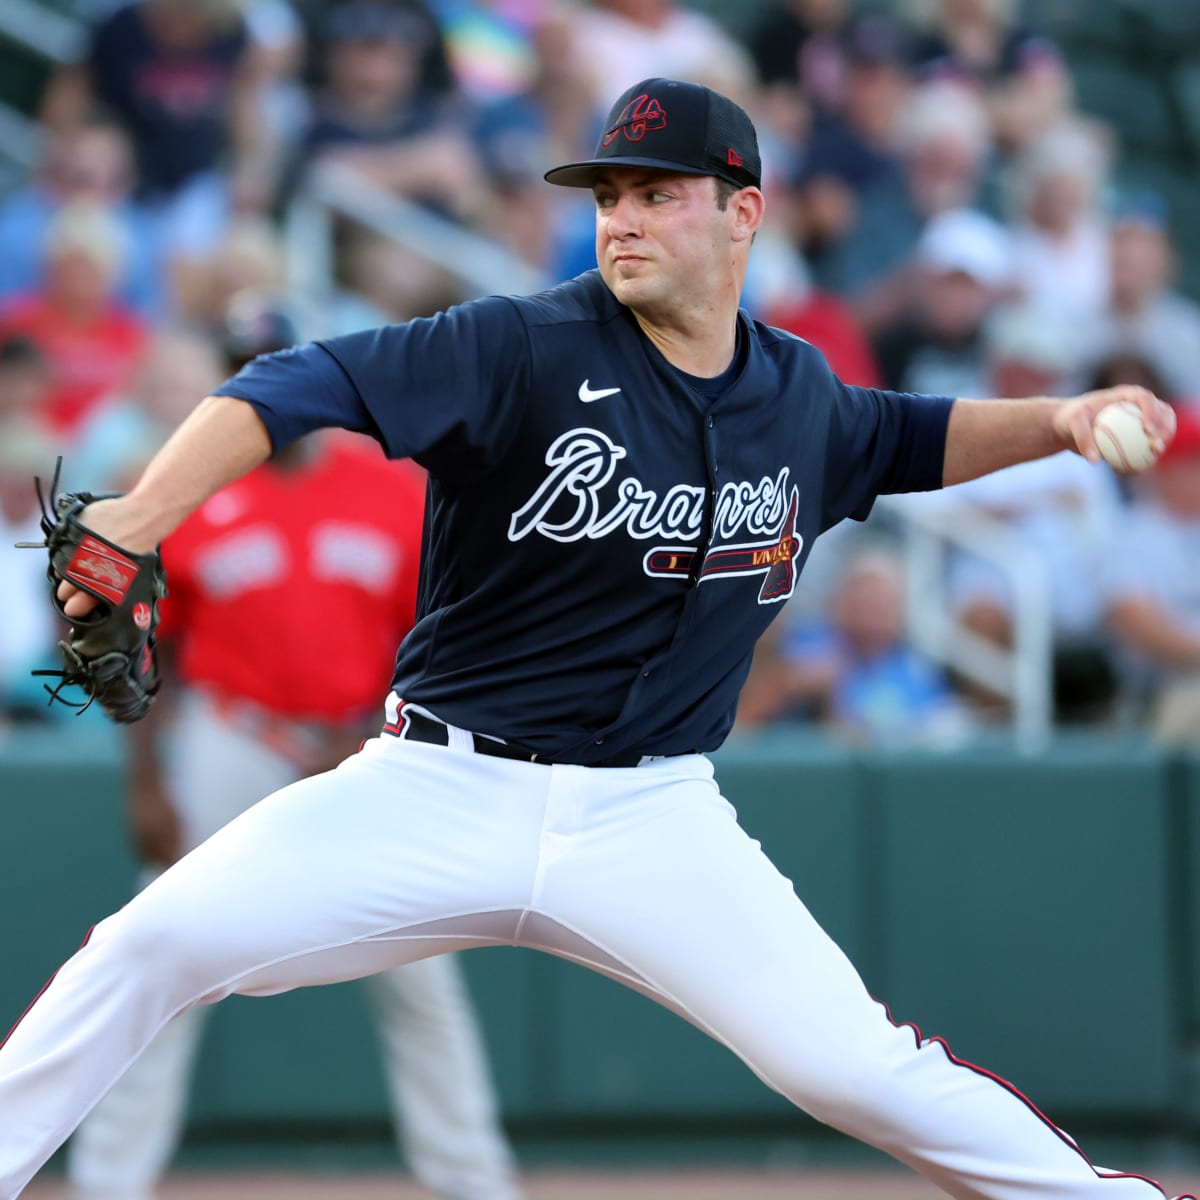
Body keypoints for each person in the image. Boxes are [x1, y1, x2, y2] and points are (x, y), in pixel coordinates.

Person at [0, 77, 1184, 1200]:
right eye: (610, 196)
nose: (622, 220)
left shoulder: (802, 397)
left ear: (743, 214)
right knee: (148, 944)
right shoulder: (521, 345)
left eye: (658, 193)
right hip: (435, 786)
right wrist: (136, 518)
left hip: (652, 818)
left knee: (849, 1068)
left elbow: (921, 434)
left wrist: (1065, 420)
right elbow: (289, 385)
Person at [60, 298, 522, 1200]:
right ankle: (107, 1183)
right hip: (231, 739)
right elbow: (151, 647)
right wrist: (148, 780)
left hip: (366, 748)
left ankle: (474, 1181)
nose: (261, 381)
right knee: (162, 956)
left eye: (272, 359)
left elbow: (445, 637)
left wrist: (369, 735)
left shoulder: (393, 487)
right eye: (242, 363)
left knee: (418, 974)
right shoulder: (182, 488)